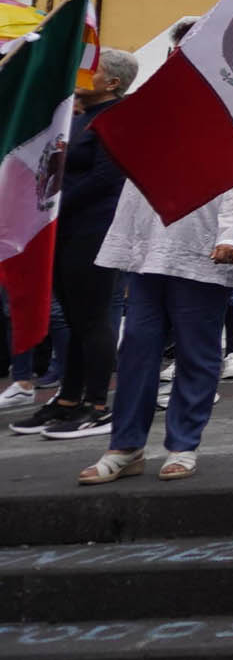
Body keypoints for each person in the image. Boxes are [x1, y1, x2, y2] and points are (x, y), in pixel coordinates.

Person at [80, 76, 233, 484]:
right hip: (151, 251)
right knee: (136, 350)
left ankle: (183, 444)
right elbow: (134, 182)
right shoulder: (160, 119)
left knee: (196, 353)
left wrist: (232, 235)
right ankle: (125, 446)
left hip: (201, 253)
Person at [11, 49, 134, 439]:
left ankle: (98, 405)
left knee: (93, 318)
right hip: (66, 230)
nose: (84, 72)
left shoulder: (116, 118)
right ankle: (68, 399)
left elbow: (105, 179)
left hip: (92, 230)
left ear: (112, 82)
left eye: (93, 69)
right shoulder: (80, 117)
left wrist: (52, 205)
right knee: (76, 318)